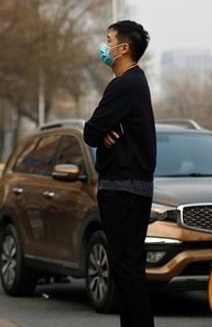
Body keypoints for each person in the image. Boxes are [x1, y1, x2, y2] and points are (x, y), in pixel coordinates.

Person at [83, 20, 155, 327]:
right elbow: (101, 129)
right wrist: (104, 131)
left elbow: (90, 130)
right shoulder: (135, 83)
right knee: (128, 269)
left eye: (108, 39)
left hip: (123, 188)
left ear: (123, 47)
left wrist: (100, 132)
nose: (104, 45)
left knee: (126, 269)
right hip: (132, 186)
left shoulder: (125, 84)